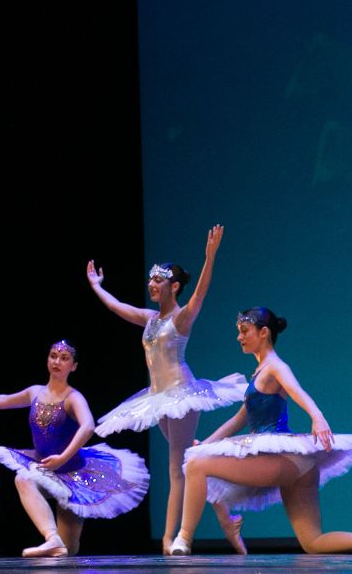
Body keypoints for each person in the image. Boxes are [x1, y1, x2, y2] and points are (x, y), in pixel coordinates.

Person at [170, 307, 352, 556]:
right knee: (312, 542)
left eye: (245, 331)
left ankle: (183, 539)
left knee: (196, 466)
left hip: (280, 460)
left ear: (264, 332)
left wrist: (317, 416)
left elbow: (296, 388)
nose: (239, 337)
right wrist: (205, 445)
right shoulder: (260, 372)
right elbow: (239, 419)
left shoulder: (275, 366)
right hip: (301, 466)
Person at [86, 225, 248, 554]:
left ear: (173, 286)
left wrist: (210, 257)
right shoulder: (149, 318)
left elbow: (200, 293)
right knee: (190, 457)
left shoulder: (181, 318)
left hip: (182, 396)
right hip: (158, 399)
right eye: (150, 280)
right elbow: (117, 307)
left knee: (178, 468)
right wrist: (96, 286)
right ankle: (225, 514)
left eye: (158, 281)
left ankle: (172, 538)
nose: (151, 285)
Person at [0, 340, 150, 557]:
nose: (57, 361)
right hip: (45, 467)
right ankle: (51, 538)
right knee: (23, 479)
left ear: (73, 367)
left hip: (73, 475)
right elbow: (5, 400)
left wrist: (62, 458)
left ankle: (59, 547)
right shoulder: (35, 392)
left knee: (69, 549)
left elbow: (88, 426)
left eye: (64, 358)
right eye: (53, 356)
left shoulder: (73, 398)